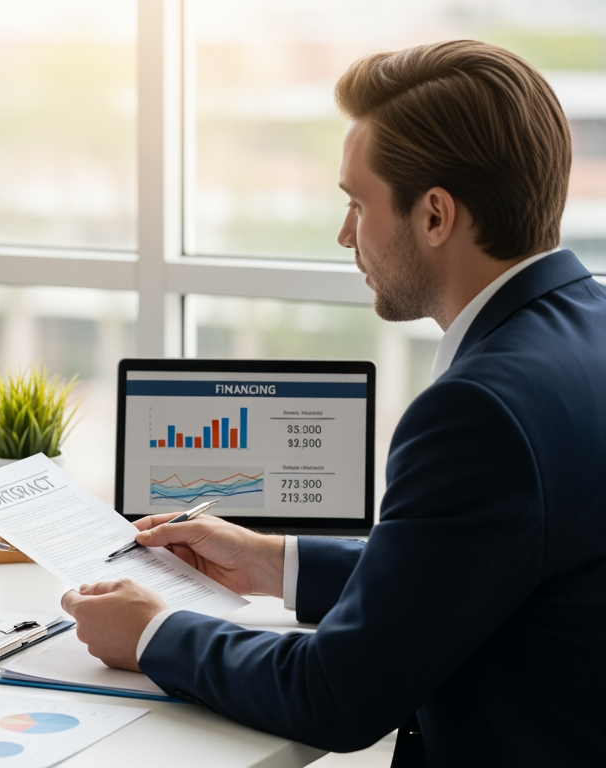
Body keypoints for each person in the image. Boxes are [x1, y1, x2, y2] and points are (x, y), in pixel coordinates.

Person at [60, 40, 605, 766]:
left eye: (357, 203)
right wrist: (274, 562)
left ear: (436, 215)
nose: (346, 234)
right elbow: (480, 570)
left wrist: (154, 635)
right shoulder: (587, 333)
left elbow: (337, 695)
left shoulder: (479, 411)